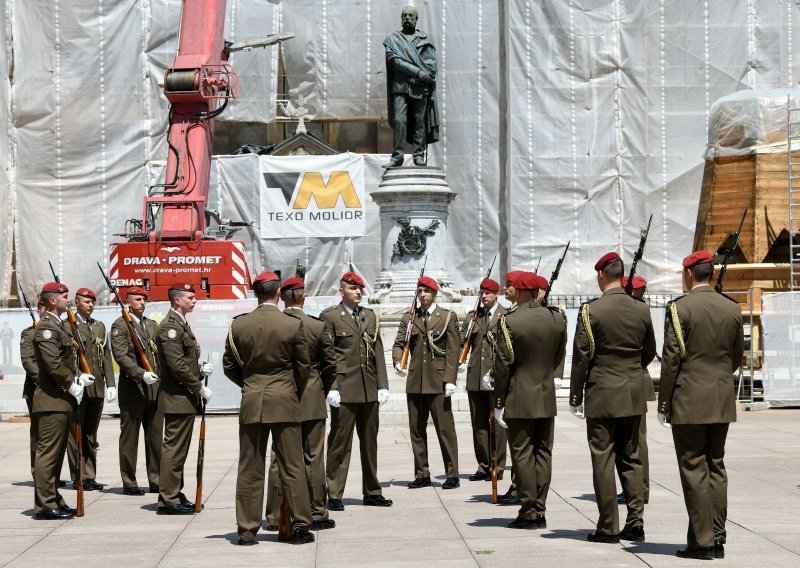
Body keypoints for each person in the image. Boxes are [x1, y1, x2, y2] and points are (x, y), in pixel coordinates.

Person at [658, 250, 743, 560]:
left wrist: (663, 402)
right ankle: (717, 536)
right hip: (720, 397)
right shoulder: (731, 307)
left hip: (689, 398)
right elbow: (736, 357)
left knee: (693, 467)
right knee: (716, 466)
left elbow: (671, 360)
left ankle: (702, 541)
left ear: (690, 274)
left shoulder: (680, 308)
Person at [569, 252, 656, 543]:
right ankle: (636, 521)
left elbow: (581, 358)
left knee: (603, 459)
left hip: (602, 391)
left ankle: (608, 525)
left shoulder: (590, 311)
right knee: (631, 457)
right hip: (632, 390)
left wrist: (574, 396)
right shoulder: (641, 309)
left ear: (602, 275)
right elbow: (648, 353)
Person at [223, 271, 314, 545]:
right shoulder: (291, 324)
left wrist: (250, 384)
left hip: (252, 399)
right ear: (278, 294)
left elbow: (230, 366)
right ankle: (300, 526)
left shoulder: (239, 325)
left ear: (255, 294)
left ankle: (247, 531)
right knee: (292, 465)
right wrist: (291, 390)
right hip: (285, 398)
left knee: (249, 467)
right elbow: (303, 367)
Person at [493, 272, 567, 529]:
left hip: (519, 396)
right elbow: (559, 355)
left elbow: (503, 365)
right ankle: (541, 508)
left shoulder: (509, 321)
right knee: (543, 453)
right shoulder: (556, 318)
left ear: (522, 292)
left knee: (522, 454)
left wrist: (499, 400)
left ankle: (528, 510)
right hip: (545, 395)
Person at [265, 277, 338, 530]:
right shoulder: (317, 326)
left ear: (282, 297)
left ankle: (275, 515)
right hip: (312, 396)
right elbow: (330, 365)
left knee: (279, 458)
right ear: (303, 297)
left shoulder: (275, 324)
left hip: (281, 397)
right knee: (313, 456)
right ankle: (317, 511)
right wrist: (322, 390)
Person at [320, 272, 393, 510]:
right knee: (340, 444)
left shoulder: (370, 316)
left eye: (360, 288)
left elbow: (378, 352)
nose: (358, 292)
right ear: (341, 292)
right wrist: (331, 387)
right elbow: (326, 356)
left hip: (368, 388)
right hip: (344, 389)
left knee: (370, 443)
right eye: (353, 288)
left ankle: (372, 491)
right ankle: (334, 493)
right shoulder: (330, 317)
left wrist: (382, 384)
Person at [32, 282, 94, 520]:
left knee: (56, 456)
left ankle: (54, 498)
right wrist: (71, 384)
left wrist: (79, 377)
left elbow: (65, 361)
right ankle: (45, 505)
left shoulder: (61, 326)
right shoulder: (47, 327)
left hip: (62, 400)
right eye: (65, 297)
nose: (68, 301)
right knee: (48, 454)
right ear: (51, 301)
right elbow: (52, 363)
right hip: (52, 400)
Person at [392, 276, 460, 489]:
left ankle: (452, 473)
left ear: (435, 293)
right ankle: (422, 473)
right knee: (416, 430)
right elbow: (399, 343)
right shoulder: (409, 317)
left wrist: (450, 379)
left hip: (439, 381)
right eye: (420, 291)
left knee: (445, 430)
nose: (422, 295)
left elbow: (452, 350)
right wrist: (397, 361)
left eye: (427, 291)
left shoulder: (447, 317)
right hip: (415, 381)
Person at [156, 283, 212, 515]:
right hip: (177, 397)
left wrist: (199, 368)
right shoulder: (170, 327)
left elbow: (184, 360)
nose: (194, 300)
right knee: (174, 450)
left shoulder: (180, 323)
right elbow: (176, 365)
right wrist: (199, 386)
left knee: (179, 450)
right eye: (190, 297)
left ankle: (175, 492)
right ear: (177, 300)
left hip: (183, 397)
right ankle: (168, 499)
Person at [110, 286, 162, 496]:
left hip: (154, 390)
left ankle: (156, 479)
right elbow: (121, 356)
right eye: (138, 299)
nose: (142, 303)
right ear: (128, 301)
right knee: (130, 440)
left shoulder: (151, 325)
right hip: (133, 390)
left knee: (155, 438)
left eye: (144, 299)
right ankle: (129, 481)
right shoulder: (120, 325)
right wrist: (140, 374)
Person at [67, 288, 116, 491]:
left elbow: (105, 356)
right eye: (86, 301)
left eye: (92, 302)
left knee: (91, 435)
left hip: (96, 388)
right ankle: (78, 476)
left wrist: (111, 383)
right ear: (77, 302)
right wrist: (76, 377)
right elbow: (67, 357)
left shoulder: (99, 326)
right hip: (80, 388)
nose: (90, 305)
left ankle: (90, 475)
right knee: (76, 433)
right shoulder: (68, 325)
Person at [382, 5, 439, 168]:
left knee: (419, 122)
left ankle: (418, 155)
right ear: (401, 19)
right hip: (400, 87)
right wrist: (417, 72)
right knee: (400, 120)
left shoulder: (425, 40)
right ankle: (398, 155)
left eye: (410, 15)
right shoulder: (392, 40)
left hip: (420, 88)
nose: (407, 18)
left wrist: (421, 77)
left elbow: (431, 67)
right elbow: (395, 61)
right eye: (404, 15)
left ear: (416, 19)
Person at [462, 277, 507, 482]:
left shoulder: (505, 315)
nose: (484, 296)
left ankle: (498, 466)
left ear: (496, 294)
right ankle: (483, 465)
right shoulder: (473, 317)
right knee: (479, 424)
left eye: (487, 293)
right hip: (476, 377)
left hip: (496, 377)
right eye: (481, 293)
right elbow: (463, 342)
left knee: (497, 424)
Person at [617, 275, 655, 506]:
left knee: (637, 441)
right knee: (629, 441)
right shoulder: (637, 309)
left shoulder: (639, 310)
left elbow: (649, 350)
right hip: (632, 379)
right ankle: (635, 487)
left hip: (634, 379)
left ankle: (640, 488)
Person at [21, 297, 47, 479]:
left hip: (57, 389)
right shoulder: (29, 333)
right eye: (44, 308)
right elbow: (28, 361)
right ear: (38, 311)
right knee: (38, 433)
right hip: (37, 389)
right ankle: (37, 472)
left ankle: (49, 473)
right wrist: (46, 382)